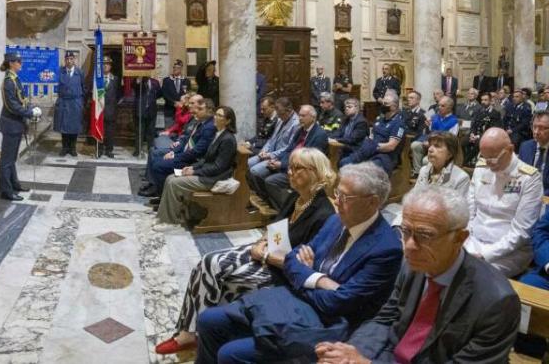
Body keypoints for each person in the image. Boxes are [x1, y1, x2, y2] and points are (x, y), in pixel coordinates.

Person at [195, 163, 403, 363]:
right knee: (208, 320)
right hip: (294, 301)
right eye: (337, 193)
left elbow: (337, 303)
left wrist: (302, 275)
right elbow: (292, 258)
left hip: (329, 323)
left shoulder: (386, 248)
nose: (336, 201)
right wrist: (318, 279)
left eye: (345, 197)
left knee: (229, 354)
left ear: (373, 202)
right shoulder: (335, 221)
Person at [156, 147, 336, 356]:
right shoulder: (298, 197)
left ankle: (211, 333)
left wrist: (265, 254)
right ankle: (188, 332)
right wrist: (261, 241)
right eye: (290, 167)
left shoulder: (323, 213)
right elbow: (277, 227)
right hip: (269, 250)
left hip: (283, 270)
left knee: (227, 277)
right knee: (209, 261)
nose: (289, 172)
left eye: (297, 168)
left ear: (315, 172)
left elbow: (302, 262)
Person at [316, 185, 520, 364]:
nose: (410, 246)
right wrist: (349, 354)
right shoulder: (412, 265)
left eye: (425, 235)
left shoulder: (497, 302)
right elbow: (385, 320)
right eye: (406, 231)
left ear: (459, 238)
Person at [465, 127, 542, 277]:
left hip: (509, 252)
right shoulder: (482, 168)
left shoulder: (529, 178)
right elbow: (469, 212)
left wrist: (485, 254)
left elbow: (521, 232)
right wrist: (466, 243)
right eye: (484, 157)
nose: (489, 163)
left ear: (510, 149)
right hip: (473, 242)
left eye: (493, 158)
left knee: (474, 275)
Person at [153, 105, 237, 229]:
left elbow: (218, 167)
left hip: (213, 179)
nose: (215, 117)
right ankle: (163, 217)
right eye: (216, 114)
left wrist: (195, 172)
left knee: (174, 183)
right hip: (204, 173)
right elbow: (206, 159)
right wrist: (192, 168)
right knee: (171, 177)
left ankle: (171, 222)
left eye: (220, 115)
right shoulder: (218, 134)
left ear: (228, 121)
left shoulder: (228, 139)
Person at [260, 105, 329, 210]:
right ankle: (275, 205)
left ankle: (288, 209)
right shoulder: (300, 130)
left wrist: (282, 165)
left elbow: (308, 161)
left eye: (303, 116)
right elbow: (289, 149)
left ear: (313, 117)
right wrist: (276, 160)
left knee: (270, 181)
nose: (300, 118)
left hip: (304, 171)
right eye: (299, 115)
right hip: (289, 165)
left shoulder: (319, 135)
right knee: (258, 173)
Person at [145, 98, 216, 199]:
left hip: (192, 162)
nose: (196, 111)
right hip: (185, 154)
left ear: (209, 111)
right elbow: (187, 139)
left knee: (158, 165)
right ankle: (158, 192)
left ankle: (163, 198)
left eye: (200, 109)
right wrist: (173, 152)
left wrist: (175, 156)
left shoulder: (209, 127)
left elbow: (197, 151)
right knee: (156, 158)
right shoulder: (201, 122)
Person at [242, 97, 299, 214]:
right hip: (269, 152)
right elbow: (272, 139)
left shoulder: (296, 123)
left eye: (281, 113)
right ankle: (260, 195)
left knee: (255, 171)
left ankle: (266, 197)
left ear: (288, 111)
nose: (279, 116)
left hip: (279, 155)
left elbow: (288, 147)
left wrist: (270, 155)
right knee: (246, 164)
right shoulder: (280, 119)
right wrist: (264, 151)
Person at [0, 52, 39, 201]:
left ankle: (14, 184)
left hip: (16, 124)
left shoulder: (15, 79)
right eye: (18, 61)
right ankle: (5, 190)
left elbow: (21, 100)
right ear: (11, 63)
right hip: (10, 124)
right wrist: (29, 113)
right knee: (7, 160)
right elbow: (12, 105)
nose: (21, 63)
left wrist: (31, 107)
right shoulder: (9, 81)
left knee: (11, 158)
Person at [341, 90, 405, 174]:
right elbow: (371, 136)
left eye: (385, 104)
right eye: (382, 103)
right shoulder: (379, 119)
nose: (382, 105)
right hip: (369, 151)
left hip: (385, 156)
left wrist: (373, 146)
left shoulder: (398, 123)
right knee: (344, 162)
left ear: (394, 106)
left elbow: (391, 146)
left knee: (364, 171)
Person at [410, 95, 458, 176]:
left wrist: (431, 144)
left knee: (426, 161)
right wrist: (428, 126)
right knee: (415, 145)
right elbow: (429, 132)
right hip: (430, 142)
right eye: (439, 105)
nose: (439, 107)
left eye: (442, 106)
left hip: (442, 147)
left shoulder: (454, 121)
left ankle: (430, 176)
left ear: (450, 108)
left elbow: (450, 140)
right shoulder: (434, 116)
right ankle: (417, 172)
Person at [414, 131, 470, 196]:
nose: (430, 149)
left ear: (450, 153)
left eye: (437, 146)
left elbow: (458, 205)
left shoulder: (461, 178)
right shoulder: (423, 170)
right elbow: (414, 197)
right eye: (430, 145)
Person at [53, 50, 84, 157]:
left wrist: (81, 102)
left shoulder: (79, 72)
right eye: (67, 59)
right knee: (64, 126)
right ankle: (65, 147)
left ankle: (72, 147)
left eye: (71, 59)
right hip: (64, 102)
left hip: (75, 102)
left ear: (74, 60)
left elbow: (84, 87)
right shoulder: (60, 72)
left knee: (74, 126)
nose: (69, 61)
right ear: (65, 60)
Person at [328, 97, 368, 162]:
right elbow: (338, 133)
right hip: (345, 148)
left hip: (356, 150)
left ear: (357, 108)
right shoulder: (345, 119)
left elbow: (352, 139)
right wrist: (329, 137)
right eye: (345, 107)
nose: (346, 109)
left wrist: (335, 140)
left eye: (349, 107)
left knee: (342, 162)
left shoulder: (361, 122)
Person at [519, 110, 549, 195]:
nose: (536, 132)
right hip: (525, 195)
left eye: (542, 128)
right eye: (534, 127)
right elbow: (519, 176)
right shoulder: (525, 147)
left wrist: (537, 196)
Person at [467, 91, 500, 164]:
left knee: (477, 143)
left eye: (485, 100)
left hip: (486, 137)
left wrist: (478, 136)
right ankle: (467, 162)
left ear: (490, 101)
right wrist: (472, 134)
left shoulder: (495, 113)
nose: (483, 102)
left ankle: (466, 163)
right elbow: (474, 124)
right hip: (475, 134)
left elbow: (493, 130)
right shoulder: (478, 111)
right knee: (462, 142)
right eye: (482, 100)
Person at [135, 74, 162, 157]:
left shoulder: (155, 82)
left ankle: (150, 150)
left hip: (151, 110)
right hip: (141, 109)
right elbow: (134, 88)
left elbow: (159, 93)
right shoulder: (139, 81)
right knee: (140, 131)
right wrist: (138, 81)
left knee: (151, 131)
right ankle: (138, 150)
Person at [99, 57, 120, 159]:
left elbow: (119, 93)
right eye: (104, 64)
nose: (105, 65)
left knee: (110, 132)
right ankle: (99, 149)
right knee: (100, 130)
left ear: (110, 66)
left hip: (111, 110)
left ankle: (109, 150)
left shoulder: (115, 79)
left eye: (107, 64)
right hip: (99, 110)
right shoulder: (98, 79)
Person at [161, 59, 190, 125]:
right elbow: (164, 94)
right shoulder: (166, 80)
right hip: (169, 110)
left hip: (182, 111)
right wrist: (174, 103)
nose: (175, 69)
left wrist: (182, 103)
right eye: (174, 67)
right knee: (169, 130)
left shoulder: (186, 81)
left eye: (177, 67)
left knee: (181, 131)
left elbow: (188, 94)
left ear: (181, 69)